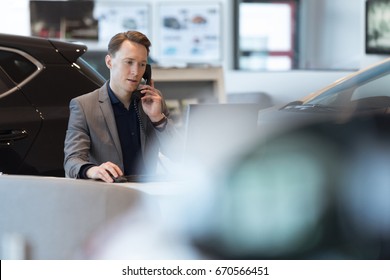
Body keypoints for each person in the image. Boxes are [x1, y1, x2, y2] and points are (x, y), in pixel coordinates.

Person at [64, 31, 180, 183]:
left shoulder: (153, 100)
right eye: (129, 62)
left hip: (147, 197)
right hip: (109, 195)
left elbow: (179, 154)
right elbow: (72, 161)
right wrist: (93, 170)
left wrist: (158, 119)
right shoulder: (84, 106)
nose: (136, 72)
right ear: (109, 62)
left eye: (142, 64)